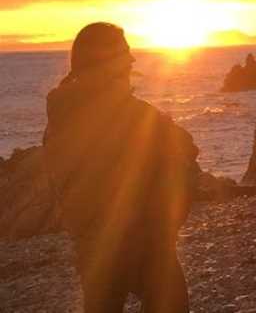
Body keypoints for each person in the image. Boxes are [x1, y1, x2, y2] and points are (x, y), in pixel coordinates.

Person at [42, 22, 199, 313]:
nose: (132, 61)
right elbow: (184, 156)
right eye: (125, 54)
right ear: (109, 62)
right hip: (147, 243)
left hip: (91, 245)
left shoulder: (59, 117)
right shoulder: (135, 115)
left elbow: (59, 181)